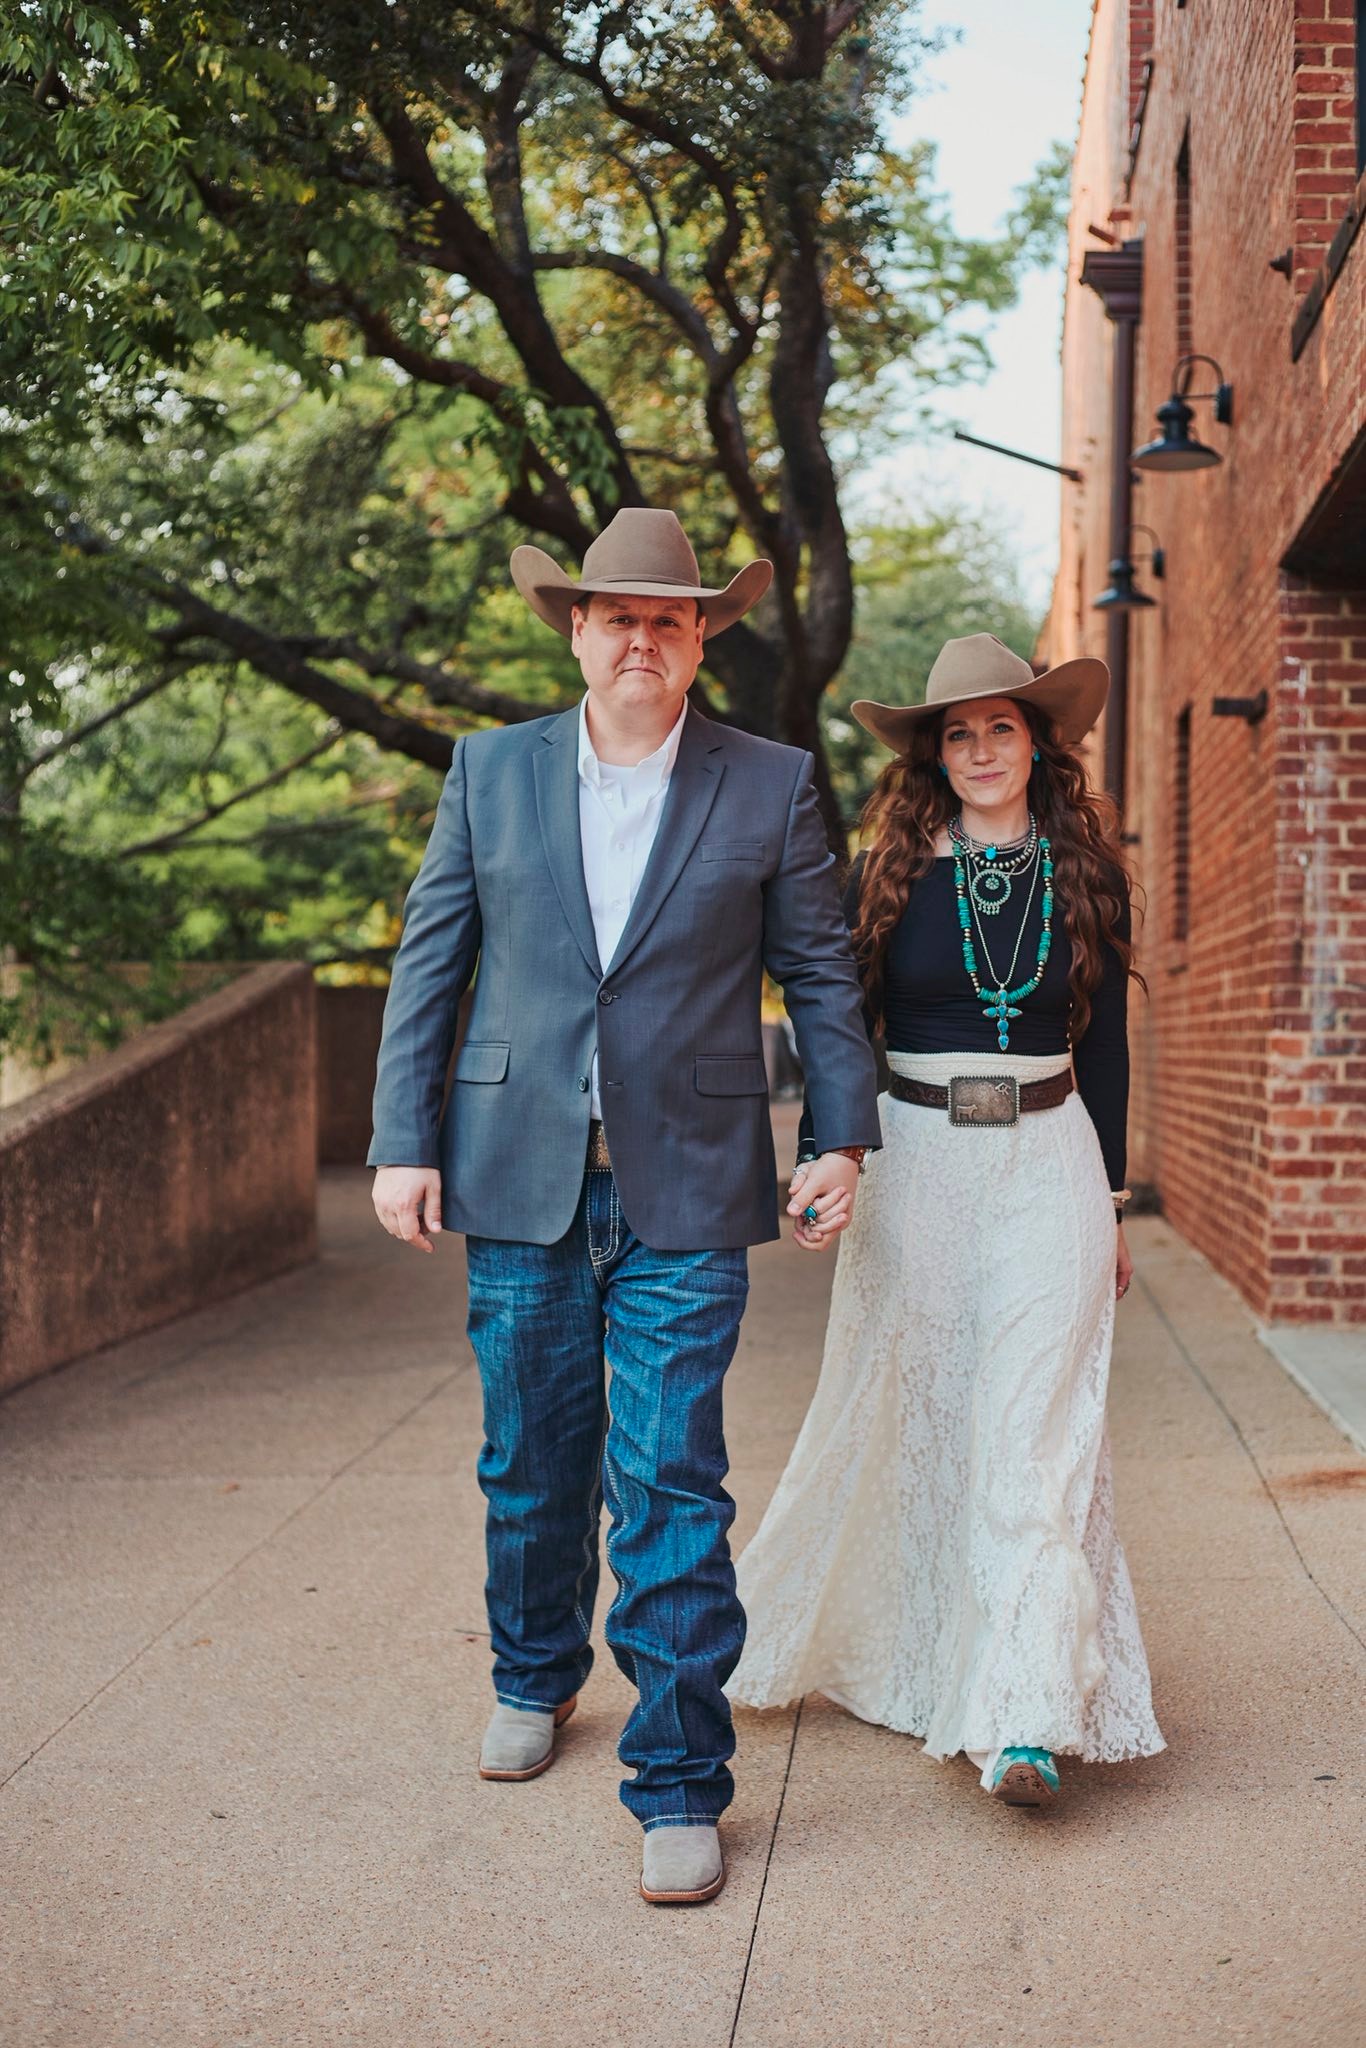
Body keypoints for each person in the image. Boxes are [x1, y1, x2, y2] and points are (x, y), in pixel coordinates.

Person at [367, 509, 881, 1901]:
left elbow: (818, 973)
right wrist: (402, 1142)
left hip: (691, 1180)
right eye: (617, 617)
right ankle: (533, 1672)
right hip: (514, 1171)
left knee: (668, 1480)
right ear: (576, 634)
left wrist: (840, 1136)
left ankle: (677, 1776)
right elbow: (430, 963)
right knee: (532, 1462)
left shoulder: (768, 782)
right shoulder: (489, 771)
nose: (641, 637)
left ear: (699, 638)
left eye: (668, 617)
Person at [728, 633, 1166, 1805]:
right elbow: (837, 1027)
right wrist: (834, 1151)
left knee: (1029, 1431)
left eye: (1000, 728)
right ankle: (929, 1661)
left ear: (1038, 744)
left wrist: (1110, 1202)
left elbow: (1106, 1048)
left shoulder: (1090, 875)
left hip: (1049, 1161)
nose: (979, 749)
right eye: (957, 733)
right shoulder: (883, 874)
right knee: (916, 1418)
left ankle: (1021, 1713)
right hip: (915, 1161)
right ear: (934, 753)